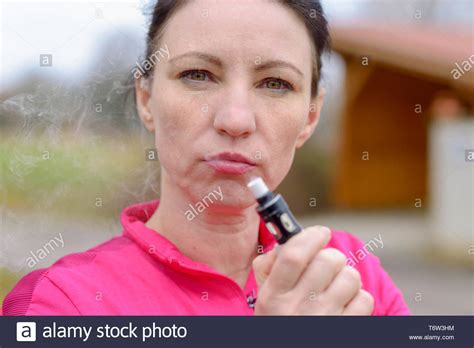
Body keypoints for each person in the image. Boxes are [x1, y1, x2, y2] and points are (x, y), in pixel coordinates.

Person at [2, 0, 410, 316]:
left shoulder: (350, 274)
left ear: (310, 117)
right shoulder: (63, 304)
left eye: (275, 83)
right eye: (197, 74)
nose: (235, 120)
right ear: (146, 99)